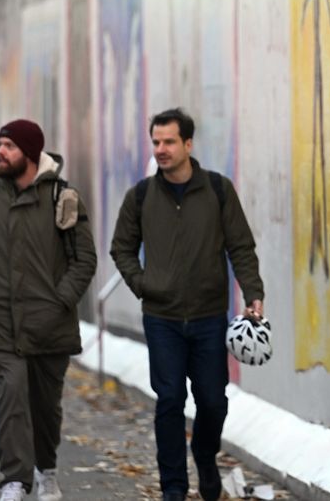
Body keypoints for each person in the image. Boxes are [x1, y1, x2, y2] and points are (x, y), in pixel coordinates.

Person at [110, 108, 265, 501]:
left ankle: (204, 454)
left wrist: (253, 294)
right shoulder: (141, 196)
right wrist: (143, 284)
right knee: (170, 401)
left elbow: (241, 247)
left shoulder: (217, 190)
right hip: (161, 318)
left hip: (209, 316)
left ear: (188, 144)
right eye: (156, 142)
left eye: (168, 142)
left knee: (213, 400)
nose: (160, 149)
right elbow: (121, 248)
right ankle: (174, 489)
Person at [0, 119, 97, 501]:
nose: (1, 152)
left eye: (9, 146)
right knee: (13, 395)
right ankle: (14, 481)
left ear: (31, 153)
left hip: (50, 324)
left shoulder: (63, 197)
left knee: (46, 408)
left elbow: (84, 258)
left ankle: (46, 471)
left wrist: (60, 300)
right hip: (1, 321)